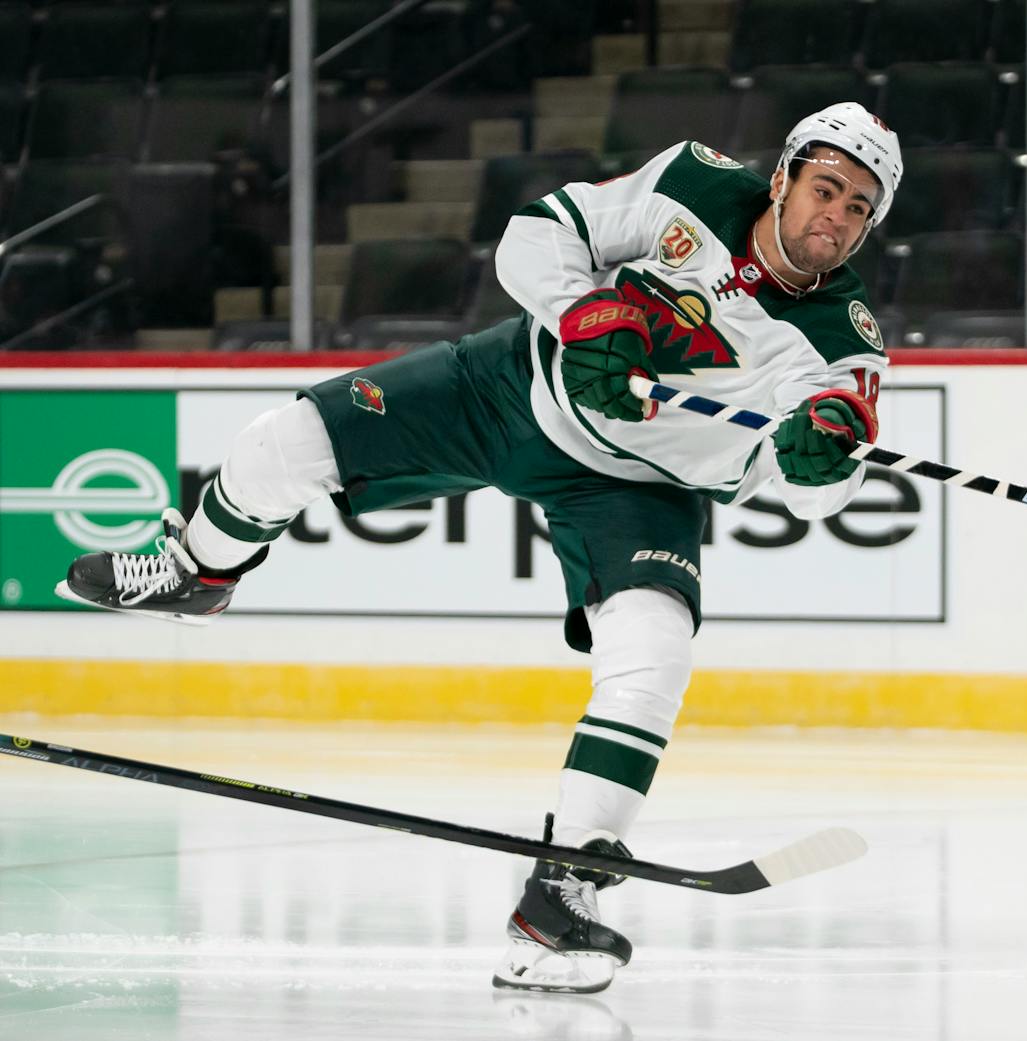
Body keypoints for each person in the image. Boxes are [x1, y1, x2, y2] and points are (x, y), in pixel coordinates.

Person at [57, 101, 902, 993]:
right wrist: (585, 316)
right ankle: (200, 570)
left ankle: (560, 896)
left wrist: (818, 453)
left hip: (638, 489)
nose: (834, 218)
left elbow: (829, 480)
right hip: (508, 388)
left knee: (654, 651)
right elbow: (533, 237)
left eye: (857, 209)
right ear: (784, 177)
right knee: (283, 443)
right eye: (826, 188)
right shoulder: (692, 182)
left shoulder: (841, 344)